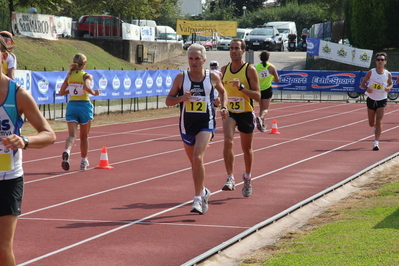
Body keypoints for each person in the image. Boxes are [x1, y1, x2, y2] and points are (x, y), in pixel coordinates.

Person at [0, 36, 56, 266]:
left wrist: (24, 140)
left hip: (7, 177)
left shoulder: (18, 95)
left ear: (4, 57)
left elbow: (49, 134)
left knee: (2, 248)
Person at [166, 43, 228, 214]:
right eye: (191, 59)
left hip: (206, 123)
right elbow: (168, 100)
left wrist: (223, 107)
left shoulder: (212, 77)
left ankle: (197, 199)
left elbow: (223, 92)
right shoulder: (181, 78)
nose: (193, 62)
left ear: (204, 60)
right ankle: (204, 191)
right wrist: (181, 98)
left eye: (197, 59)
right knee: (194, 163)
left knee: (197, 157)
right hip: (187, 125)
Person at [220, 38, 260, 197]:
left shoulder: (249, 70)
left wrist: (241, 88)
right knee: (228, 141)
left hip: (245, 112)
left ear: (243, 51)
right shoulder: (224, 70)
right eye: (231, 48)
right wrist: (219, 101)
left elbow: (257, 96)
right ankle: (230, 177)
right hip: (229, 112)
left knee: (246, 149)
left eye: (237, 48)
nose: (233, 51)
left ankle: (248, 177)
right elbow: (220, 92)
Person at [59, 53, 100, 171]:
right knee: (84, 137)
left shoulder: (69, 75)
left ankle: (67, 151)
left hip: (72, 106)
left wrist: (72, 90)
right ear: (85, 64)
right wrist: (94, 93)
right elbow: (87, 87)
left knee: (72, 135)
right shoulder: (87, 76)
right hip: (84, 107)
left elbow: (61, 92)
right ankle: (83, 161)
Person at [360, 52, 393, 151]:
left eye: (382, 60)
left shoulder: (388, 74)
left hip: (382, 99)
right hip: (371, 98)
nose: (380, 61)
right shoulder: (371, 72)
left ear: (385, 62)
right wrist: (367, 88)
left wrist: (389, 88)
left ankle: (376, 143)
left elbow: (391, 84)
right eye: (378, 60)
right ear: (375, 62)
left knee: (379, 121)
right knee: (371, 123)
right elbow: (363, 83)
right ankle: (375, 127)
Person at [255, 51, 279, 132]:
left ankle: (262, 125)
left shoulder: (256, 67)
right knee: (265, 109)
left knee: (261, 108)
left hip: (259, 89)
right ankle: (261, 119)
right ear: (268, 58)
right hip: (267, 89)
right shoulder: (271, 67)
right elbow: (277, 80)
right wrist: (272, 77)